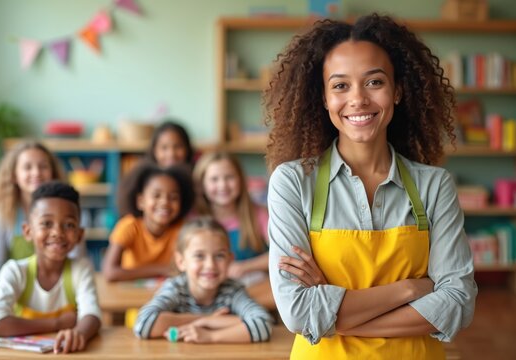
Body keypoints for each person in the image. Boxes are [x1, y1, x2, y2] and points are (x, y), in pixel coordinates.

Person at [264, 14, 477, 359]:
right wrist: (411, 288)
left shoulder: (435, 186)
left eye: (374, 82)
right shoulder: (292, 183)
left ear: (398, 91)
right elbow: (298, 312)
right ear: (323, 98)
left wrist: (334, 314)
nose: (358, 99)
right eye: (340, 85)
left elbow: (457, 303)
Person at [0, 181, 102, 354]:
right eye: (47, 223)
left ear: (79, 234)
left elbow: (92, 316)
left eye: (69, 225)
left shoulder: (81, 269)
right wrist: (58, 324)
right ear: (27, 231)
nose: (57, 233)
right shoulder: (15, 271)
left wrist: (78, 333)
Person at [133, 216, 273, 343]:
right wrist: (209, 318)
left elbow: (263, 325)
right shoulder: (175, 288)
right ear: (181, 261)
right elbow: (143, 324)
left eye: (219, 256)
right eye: (199, 256)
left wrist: (210, 336)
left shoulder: (232, 291)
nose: (210, 265)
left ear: (230, 259)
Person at [0, 140, 85, 299]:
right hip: (17, 295)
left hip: (62, 294)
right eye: (27, 167)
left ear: (53, 173)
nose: (36, 172)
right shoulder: (3, 212)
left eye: (43, 166)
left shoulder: (68, 207)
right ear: (14, 175)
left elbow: (78, 257)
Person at [102, 160, 194, 281]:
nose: (165, 202)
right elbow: (110, 273)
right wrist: (161, 269)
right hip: (127, 294)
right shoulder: (129, 226)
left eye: (173, 197)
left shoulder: (183, 229)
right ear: (141, 201)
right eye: (156, 195)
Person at [193, 151, 269, 286]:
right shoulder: (195, 220)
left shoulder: (259, 214)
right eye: (214, 179)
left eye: (229, 177)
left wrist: (244, 267)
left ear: (241, 179)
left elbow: (279, 254)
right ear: (201, 185)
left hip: (254, 287)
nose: (222, 185)